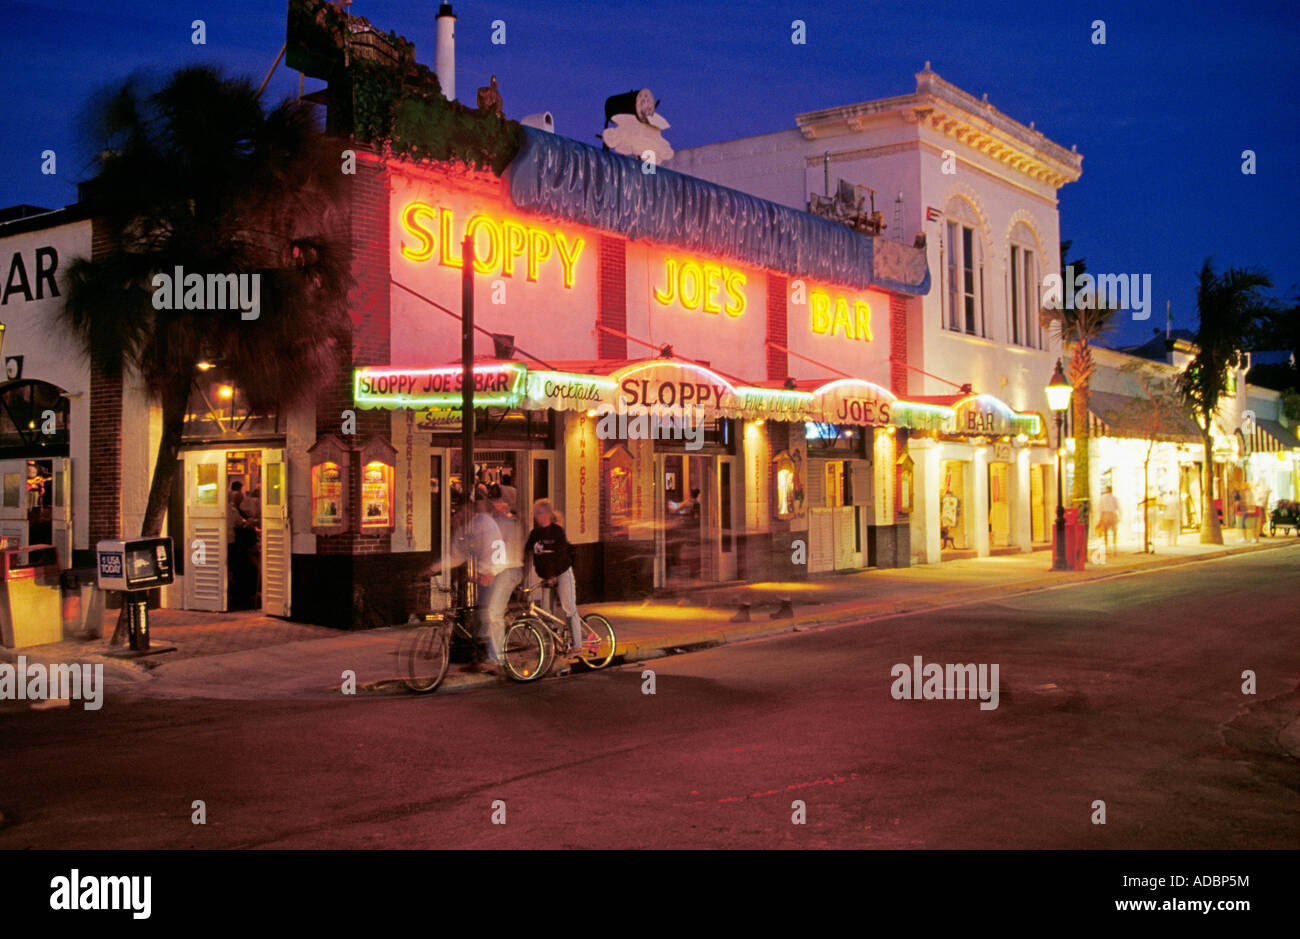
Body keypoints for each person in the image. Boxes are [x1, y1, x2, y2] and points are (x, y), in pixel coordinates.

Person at [523, 499, 585, 655]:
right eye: (536, 514)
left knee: (568, 608)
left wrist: (553, 575)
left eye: (540, 513)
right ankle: (548, 646)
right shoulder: (535, 534)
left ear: (549, 514)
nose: (538, 517)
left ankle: (577, 644)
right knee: (545, 612)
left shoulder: (556, 531)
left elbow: (560, 555)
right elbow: (527, 553)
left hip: (562, 573)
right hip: (546, 577)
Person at [1097, 487, 1119, 552]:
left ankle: (1106, 547)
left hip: (1105, 515)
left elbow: (1100, 508)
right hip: (1112, 514)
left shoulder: (1102, 498)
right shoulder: (1114, 497)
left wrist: (1100, 518)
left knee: (1105, 532)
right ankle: (1115, 546)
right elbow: (1117, 507)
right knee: (1114, 531)